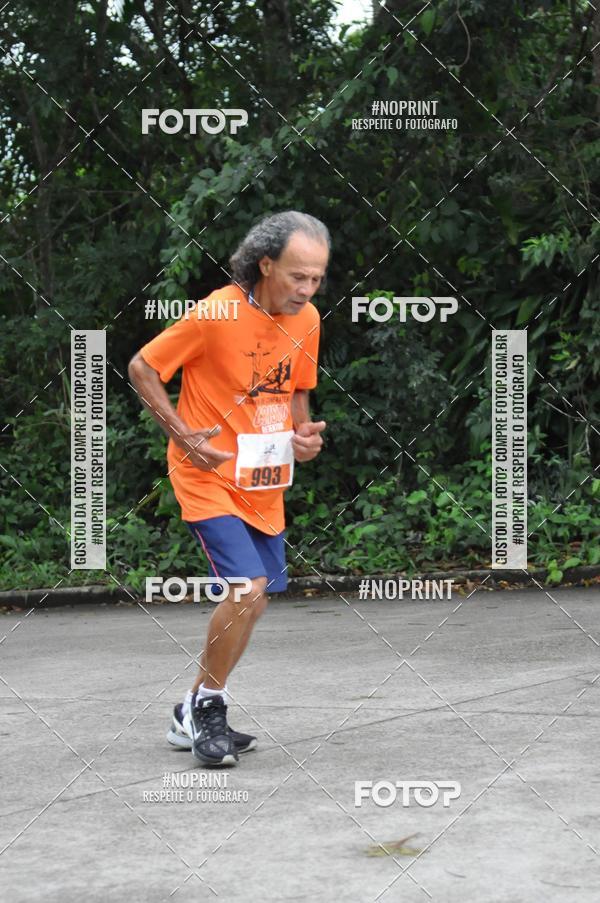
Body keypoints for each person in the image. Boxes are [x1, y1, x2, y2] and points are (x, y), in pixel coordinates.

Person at [128, 211, 329, 766]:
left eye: (316, 278)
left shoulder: (307, 318)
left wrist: (303, 435)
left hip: (264, 482)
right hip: (207, 474)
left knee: (256, 600)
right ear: (265, 264)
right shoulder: (217, 311)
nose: (307, 289)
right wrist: (182, 436)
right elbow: (142, 366)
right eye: (296, 276)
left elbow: (296, 395)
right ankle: (209, 709)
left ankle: (188, 708)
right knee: (247, 588)